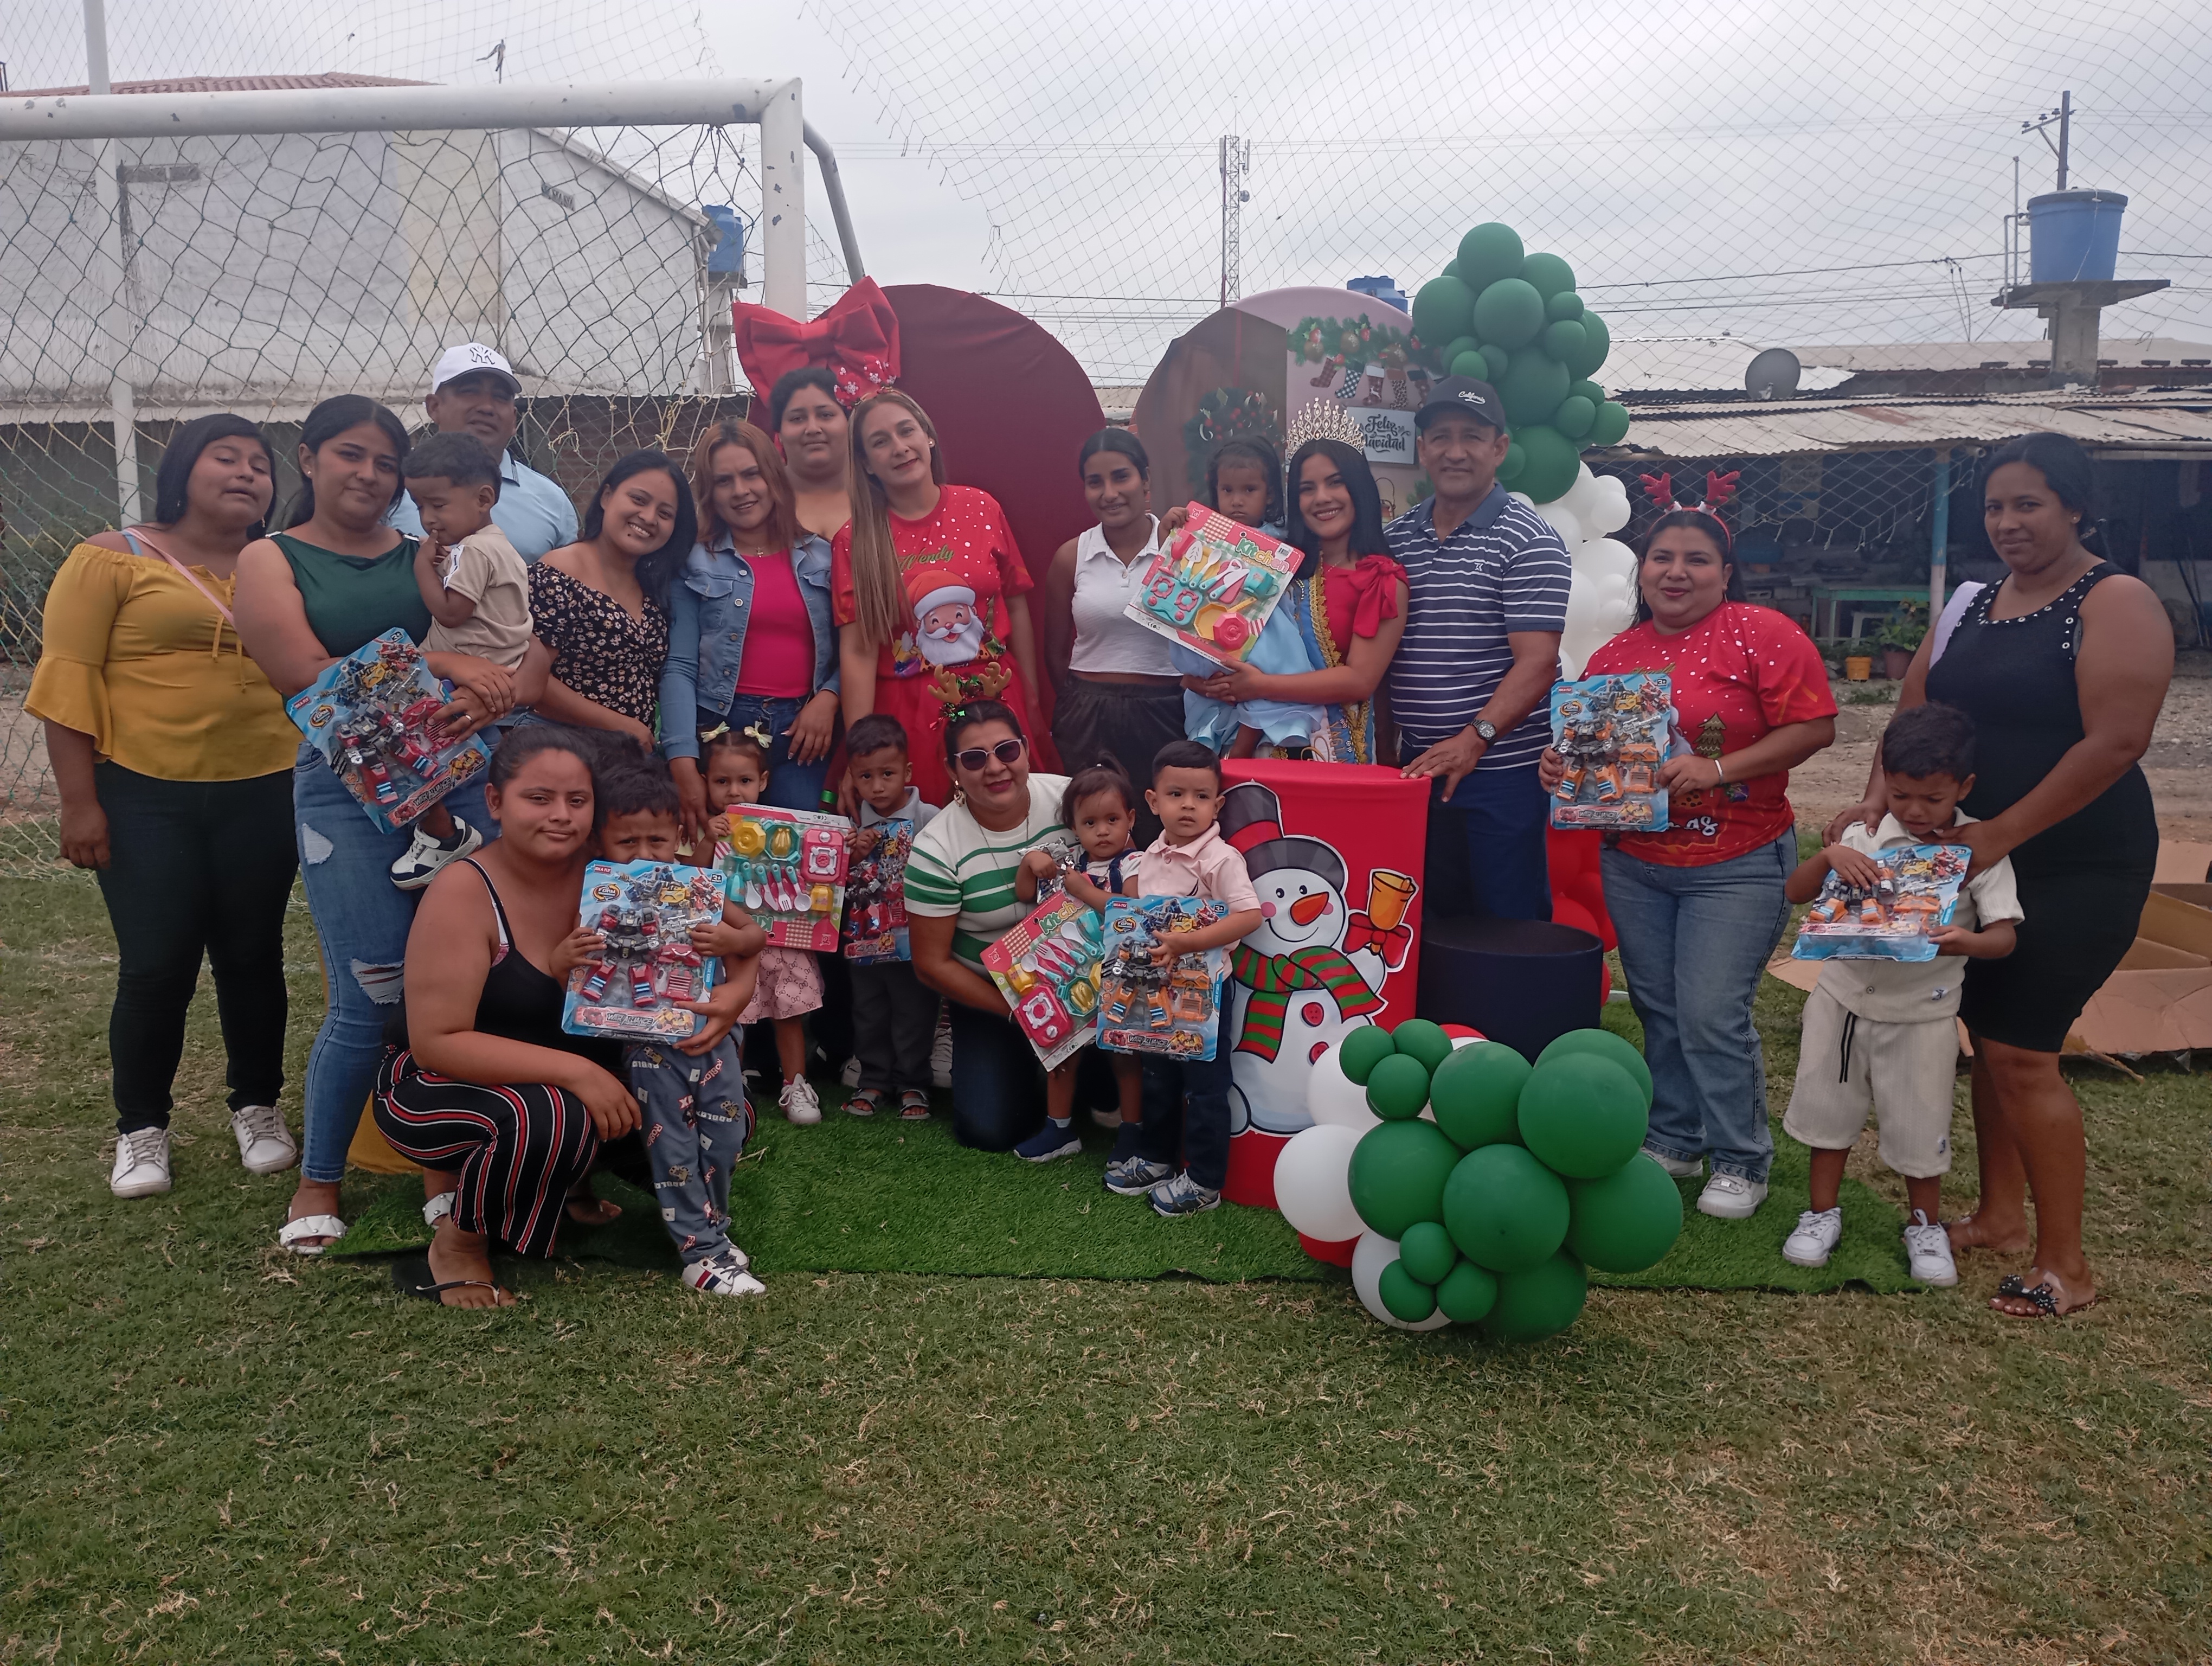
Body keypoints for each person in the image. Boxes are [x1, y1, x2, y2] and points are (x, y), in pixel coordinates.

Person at [1830, 432, 2172, 1318]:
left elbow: (2117, 741)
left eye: (2029, 504)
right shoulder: (1970, 603)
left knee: (2023, 1050)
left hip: (2077, 862)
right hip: (1970, 861)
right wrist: (1874, 810)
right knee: (1988, 1035)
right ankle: (2000, 1217)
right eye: (1995, 506)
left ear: (2075, 506)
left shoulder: (2115, 600)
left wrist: (1997, 836)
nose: (2008, 522)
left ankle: (2066, 1266)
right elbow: (1911, 718)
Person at [233, 395, 529, 1254]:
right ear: (309, 457)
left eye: (385, 463)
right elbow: (306, 676)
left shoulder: (425, 554)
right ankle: (320, 1179)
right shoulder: (271, 557)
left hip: (457, 780)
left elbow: (497, 643)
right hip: (344, 788)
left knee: (464, 986)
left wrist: (487, 690)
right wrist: (445, 662)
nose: (368, 474)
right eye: (350, 454)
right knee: (371, 990)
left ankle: (443, 1170)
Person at [374, 728, 750, 1305]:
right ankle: (459, 1245)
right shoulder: (463, 890)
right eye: (538, 798)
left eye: (577, 800)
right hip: (437, 1084)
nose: (560, 815)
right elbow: (437, 1043)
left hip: (563, 1081)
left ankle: (574, 1186)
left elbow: (738, 929)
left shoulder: (618, 869)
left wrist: (737, 993)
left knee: (715, 1099)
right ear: (495, 802)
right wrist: (578, 1073)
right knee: (552, 1117)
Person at [30, 414, 303, 1199]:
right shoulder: (112, 557)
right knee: (157, 965)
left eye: (259, 464)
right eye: (227, 458)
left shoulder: (283, 564)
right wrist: (79, 804)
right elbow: (68, 681)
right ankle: (142, 1128)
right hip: (144, 790)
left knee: (252, 956)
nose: (247, 473)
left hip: (267, 786)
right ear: (182, 469)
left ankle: (257, 1107)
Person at [1540, 502, 1836, 1221]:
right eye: (1662, 558)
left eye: (1696, 560)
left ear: (1725, 573)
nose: (1677, 573)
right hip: (1636, 862)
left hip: (1738, 860)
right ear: (1642, 570)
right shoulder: (1615, 656)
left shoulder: (1763, 635)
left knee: (1711, 1014)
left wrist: (1719, 767)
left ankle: (1741, 1158)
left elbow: (1815, 726)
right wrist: (1563, 768)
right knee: (1660, 1009)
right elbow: (1599, 756)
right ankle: (1675, 1137)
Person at [1782, 703, 2022, 1286]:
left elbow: (2005, 937)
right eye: (1900, 794)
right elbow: (1794, 892)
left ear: (1963, 787)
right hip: (1841, 1002)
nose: (1914, 811)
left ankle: (1924, 1225)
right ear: (1883, 779)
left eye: (1932, 799)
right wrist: (1829, 856)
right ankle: (1820, 1214)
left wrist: (1965, 941)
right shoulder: (1862, 835)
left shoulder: (1977, 852)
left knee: (1920, 1124)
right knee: (1827, 1112)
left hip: (1923, 1013)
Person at [546, 753, 769, 1297]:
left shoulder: (696, 884)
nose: (644, 854)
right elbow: (572, 982)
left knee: (726, 1134)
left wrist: (731, 939)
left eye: (657, 840)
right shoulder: (597, 892)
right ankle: (700, 1254)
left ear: (679, 837)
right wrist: (561, 960)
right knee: (673, 1146)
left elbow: (755, 935)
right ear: (600, 841)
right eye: (627, 842)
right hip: (648, 1047)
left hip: (712, 1034)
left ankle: (712, 1227)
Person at [1386, 377, 1571, 920]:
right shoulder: (1396, 540)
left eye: (1472, 436)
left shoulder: (1529, 540)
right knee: (1426, 927)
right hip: (1418, 771)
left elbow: (1538, 662)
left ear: (1500, 448)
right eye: (1441, 437)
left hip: (1502, 775)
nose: (1456, 451)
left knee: (1507, 931)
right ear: (1423, 449)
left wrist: (1475, 739)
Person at [833, 390, 1044, 810]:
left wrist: (1032, 701)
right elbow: (858, 652)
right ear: (866, 463)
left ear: (928, 436)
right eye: (880, 442)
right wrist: (862, 756)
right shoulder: (855, 539)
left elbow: (1016, 606)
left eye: (906, 431)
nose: (899, 447)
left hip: (998, 694)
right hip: (912, 710)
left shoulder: (982, 507)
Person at [1097, 740, 1263, 1216]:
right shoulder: (1149, 855)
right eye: (1176, 794)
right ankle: (1155, 1157)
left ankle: (1205, 1182)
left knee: (1205, 1086)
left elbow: (1249, 916)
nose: (1188, 806)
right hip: (1154, 989)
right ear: (1153, 801)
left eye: (1201, 796)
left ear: (1218, 805)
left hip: (1205, 994)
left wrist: (1188, 942)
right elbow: (1137, 916)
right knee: (1158, 1075)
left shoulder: (1221, 860)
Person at [903, 702, 1075, 1151]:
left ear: (1026, 750)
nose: (996, 767)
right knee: (989, 1129)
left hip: (1083, 977)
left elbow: (1126, 871)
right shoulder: (936, 848)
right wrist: (1020, 1014)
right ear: (953, 771)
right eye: (975, 758)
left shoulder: (1072, 799)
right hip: (994, 993)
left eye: (1007, 750)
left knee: (1104, 1099)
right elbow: (930, 964)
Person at [663, 421, 840, 843]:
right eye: (723, 481)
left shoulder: (824, 556)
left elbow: (854, 649)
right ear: (709, 493)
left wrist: (830, 697)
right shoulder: (694, 561)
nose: (740, 490)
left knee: (793, 855)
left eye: (751, 474)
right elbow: (680, 666)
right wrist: (683, 758)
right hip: (719, 733)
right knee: (718, 854)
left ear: (774, 476)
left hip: (803, 735)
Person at [1185, 438, 1410, 764]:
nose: (1322, 498)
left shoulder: (1381, 579)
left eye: (1336, 482)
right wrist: (1207, 684)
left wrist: (1260, 686)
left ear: (1359, 488)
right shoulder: (1273, 562)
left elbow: (1360, 680)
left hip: (1333, 757)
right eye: (1307, 488)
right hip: (1249, 747)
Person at [391, 431, 532, 888]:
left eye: (438, 505)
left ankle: (440, 835)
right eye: (420, 506)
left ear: (484, 498)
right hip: (493, 676)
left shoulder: (475, 550)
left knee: (403, 747)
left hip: (462, 678)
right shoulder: (500, 546)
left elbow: (453, 612)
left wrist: (421, 569)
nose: (428, 519)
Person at [1040, 431, 1185, 845]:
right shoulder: (1071, 556)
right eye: (1095, 482)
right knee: (1094, 835)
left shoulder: (1182, 547)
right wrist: (1081, 705)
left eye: (1121, 477)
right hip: (1087, 717)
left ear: (1146, 480)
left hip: (1167, 713)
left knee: (1166, 832)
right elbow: (1055, 653)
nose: (1109, 493)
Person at [1011, 760, 1147, 1157]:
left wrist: (1084, 892)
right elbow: (1025, 894)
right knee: (1061, 1053)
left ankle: (1134, 1133)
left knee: (1124, 1056)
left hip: (1121, 975)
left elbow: (1134, 909)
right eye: (1090, 823)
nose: (1102, 831)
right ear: (1073, 826)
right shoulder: (1071, 862)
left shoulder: (1135, 863)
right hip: (1070, 973)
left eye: (1112, 820)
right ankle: (1059, 1129)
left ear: (1130, 818)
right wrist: (1030, 863)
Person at [698, 726, 828, 1126]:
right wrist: (707, 840)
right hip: (731, 943)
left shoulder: (786, 827)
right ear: (705, 782)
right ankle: (731, 1087)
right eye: (722, 781)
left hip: (783, 940)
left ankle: (796, 1084)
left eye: (745, 781)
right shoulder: (707, 828)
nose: (734, 791)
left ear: (764, 781)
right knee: (733, 1014)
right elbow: (693, 880)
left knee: (788, 1013)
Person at [528, 450, 693, 748]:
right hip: (562, 749)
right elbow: (531, 680)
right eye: (639, 500)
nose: (649, 518)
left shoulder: (653, 585)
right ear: (606, 497)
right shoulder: (559, 571)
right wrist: (619, 725)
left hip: (628, 758)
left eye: (665, 514)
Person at [388, 342, 578, 560]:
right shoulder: (391, 489)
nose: (487, 407)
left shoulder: (552, 501)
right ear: (434, 407)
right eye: (470, 392)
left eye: (500, 396)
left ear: (514, 419)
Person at [844, 713, 941, 1120]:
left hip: (914, 940)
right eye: (866, 777)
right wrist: (854, 856)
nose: (878, 786)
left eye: (888, 774)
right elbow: (835, 882)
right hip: (865, 939)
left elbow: (946, 867)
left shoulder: (931, 817)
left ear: (908, 772)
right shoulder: (850, 826)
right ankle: (873, 1079)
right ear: (853, 778)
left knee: (914, 1012)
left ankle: (913, 1082)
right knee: (868, 1011)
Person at [769, 366, 855, 541]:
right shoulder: (763, 499)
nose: (813, 429)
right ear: (780, 434)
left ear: (849, 423)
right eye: (797, 419)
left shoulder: (880, 492)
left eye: (826, 415)